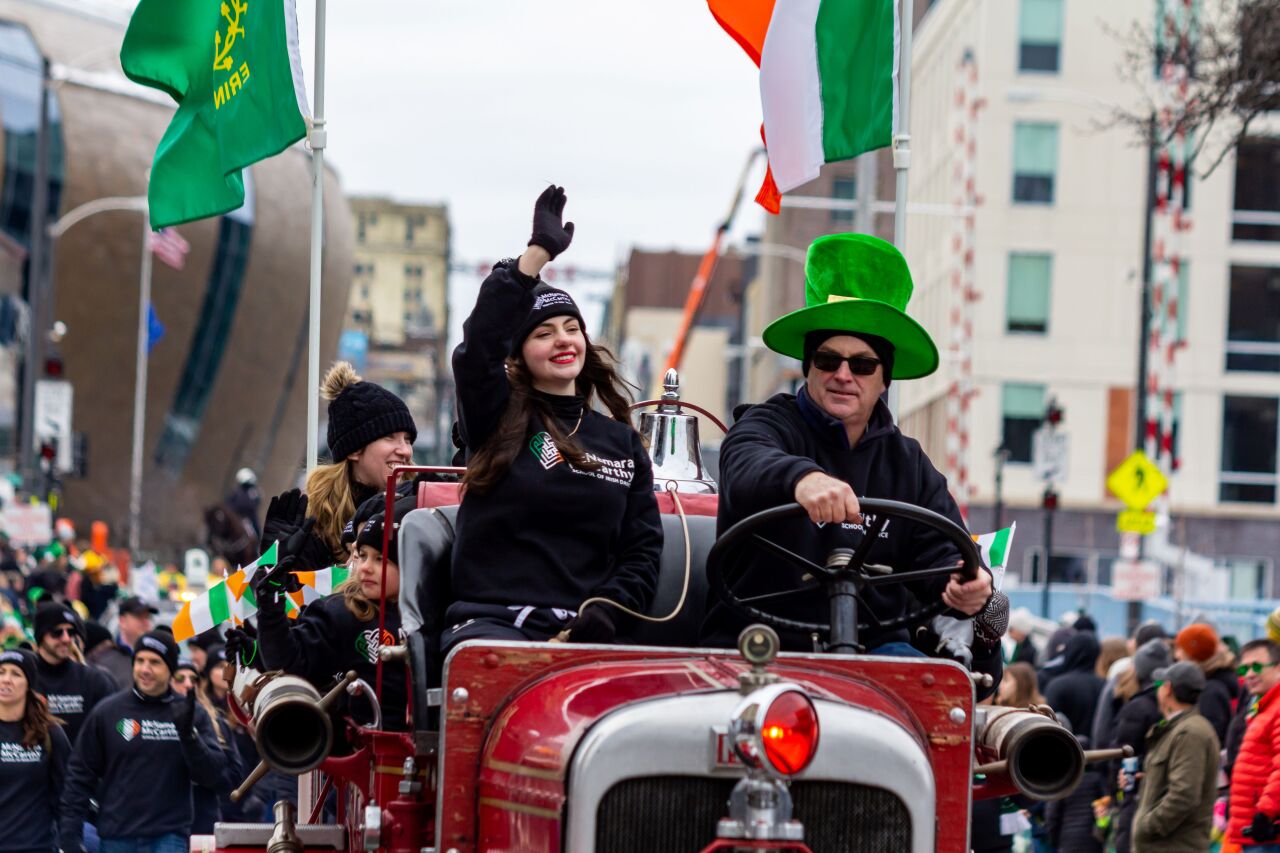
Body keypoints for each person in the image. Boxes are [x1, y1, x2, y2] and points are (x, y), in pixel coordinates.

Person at [700, 233, 993, 656]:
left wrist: (965, 582)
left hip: (875, 653)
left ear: (884, 378)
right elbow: (746, 458)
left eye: (862, 364)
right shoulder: (768, 423)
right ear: (808, 367)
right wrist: (803, 479)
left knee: (934, 683)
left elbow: (944, 551)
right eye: (827, 359)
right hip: (759, 646)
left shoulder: (908, 463)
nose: (843, 374)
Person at [442, 185, 661, 649]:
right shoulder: (496, 414)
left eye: (572, 328)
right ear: (519, 355)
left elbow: (642, 553)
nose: (563, 340)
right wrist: (535, 256)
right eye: (544, 333)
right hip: (492, 627)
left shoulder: (621, 444)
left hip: (584, 634)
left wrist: (606, 611)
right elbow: (477, 350)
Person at [255, 500, 414, 730]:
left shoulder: (432, 615)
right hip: (363, 745)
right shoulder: (341, 611)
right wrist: (270, 605)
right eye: (363, 555)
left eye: (380, 559)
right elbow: (288, 661)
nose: (365, 567)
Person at [59, 630, 223, 853]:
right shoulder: (108, 712)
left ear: (170, 668)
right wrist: (70, 835)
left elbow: (212, 775)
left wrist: (189, 736)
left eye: (154, 662)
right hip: (116, 837)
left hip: (168, 838)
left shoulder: (190, 713)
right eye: (140, 661)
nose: (145, 669)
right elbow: (79, 775)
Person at [263, 361, 417, 568]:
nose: (405, 451)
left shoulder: (417, 508)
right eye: (390, 437)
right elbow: (287, 590)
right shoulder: (314, 524)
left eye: (407, 439)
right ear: (354, 450)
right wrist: (272, 569)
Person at [1129, 661, 1220, 852]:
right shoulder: (1182, 729)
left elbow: (1184, 795)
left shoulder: (1190, 733)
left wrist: (1147, 827)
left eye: (1158, 685)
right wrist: (1146, 780)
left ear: (1167, 689)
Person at [0, 648, 70, 853]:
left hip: (36, 845)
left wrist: (68, 840)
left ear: (29, 684)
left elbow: (66, 794)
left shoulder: (49, 734)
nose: (6, 680)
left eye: (16, 674)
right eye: (1, 672)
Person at [1107, 639, 1173, 853]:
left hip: (1136, 794)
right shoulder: (1174, 705)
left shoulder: (1137, 707)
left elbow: (1123, 752)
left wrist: (1115, 792)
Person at [171, 655, 242, 836]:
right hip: (167, 821)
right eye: (179, 678)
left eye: (193, 679)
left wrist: (205, 773)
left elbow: (235, 774)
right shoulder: (154, 718)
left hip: (204, 818)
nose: (188, 684)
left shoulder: (216, 722)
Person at [32, 602, 118, 745]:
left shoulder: (94, 680)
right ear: (41, 636)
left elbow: (114, 727)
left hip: (82, 758)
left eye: (71, 632)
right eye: (57, 633)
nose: (66, 638)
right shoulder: (24, 678)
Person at [1227, 638, 1280, 850]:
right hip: (1256, 831)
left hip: (1267, 831)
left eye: (1256, 667)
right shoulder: (1265, 707)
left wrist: (1265, 813)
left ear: (1278, 667)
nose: (1249, 674)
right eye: (1244, 668)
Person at [1174, 622, 1239, 744]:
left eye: (1180, 649)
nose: (1176, 655)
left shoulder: (1211, 690)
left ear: (1193, 656)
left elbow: (1207, 738)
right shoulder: (1222, 678)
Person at [1043, 632, 1105, 741]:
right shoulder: (1106, 685)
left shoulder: (1058, 685)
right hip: (1102, 749)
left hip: (1065, 748)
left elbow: (1046, 725)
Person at [87, 596, 157, 689]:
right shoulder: (102, 657)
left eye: (148, 617)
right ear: (122, 621)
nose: (146, 622)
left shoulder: (158, 656)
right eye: (139, 617)